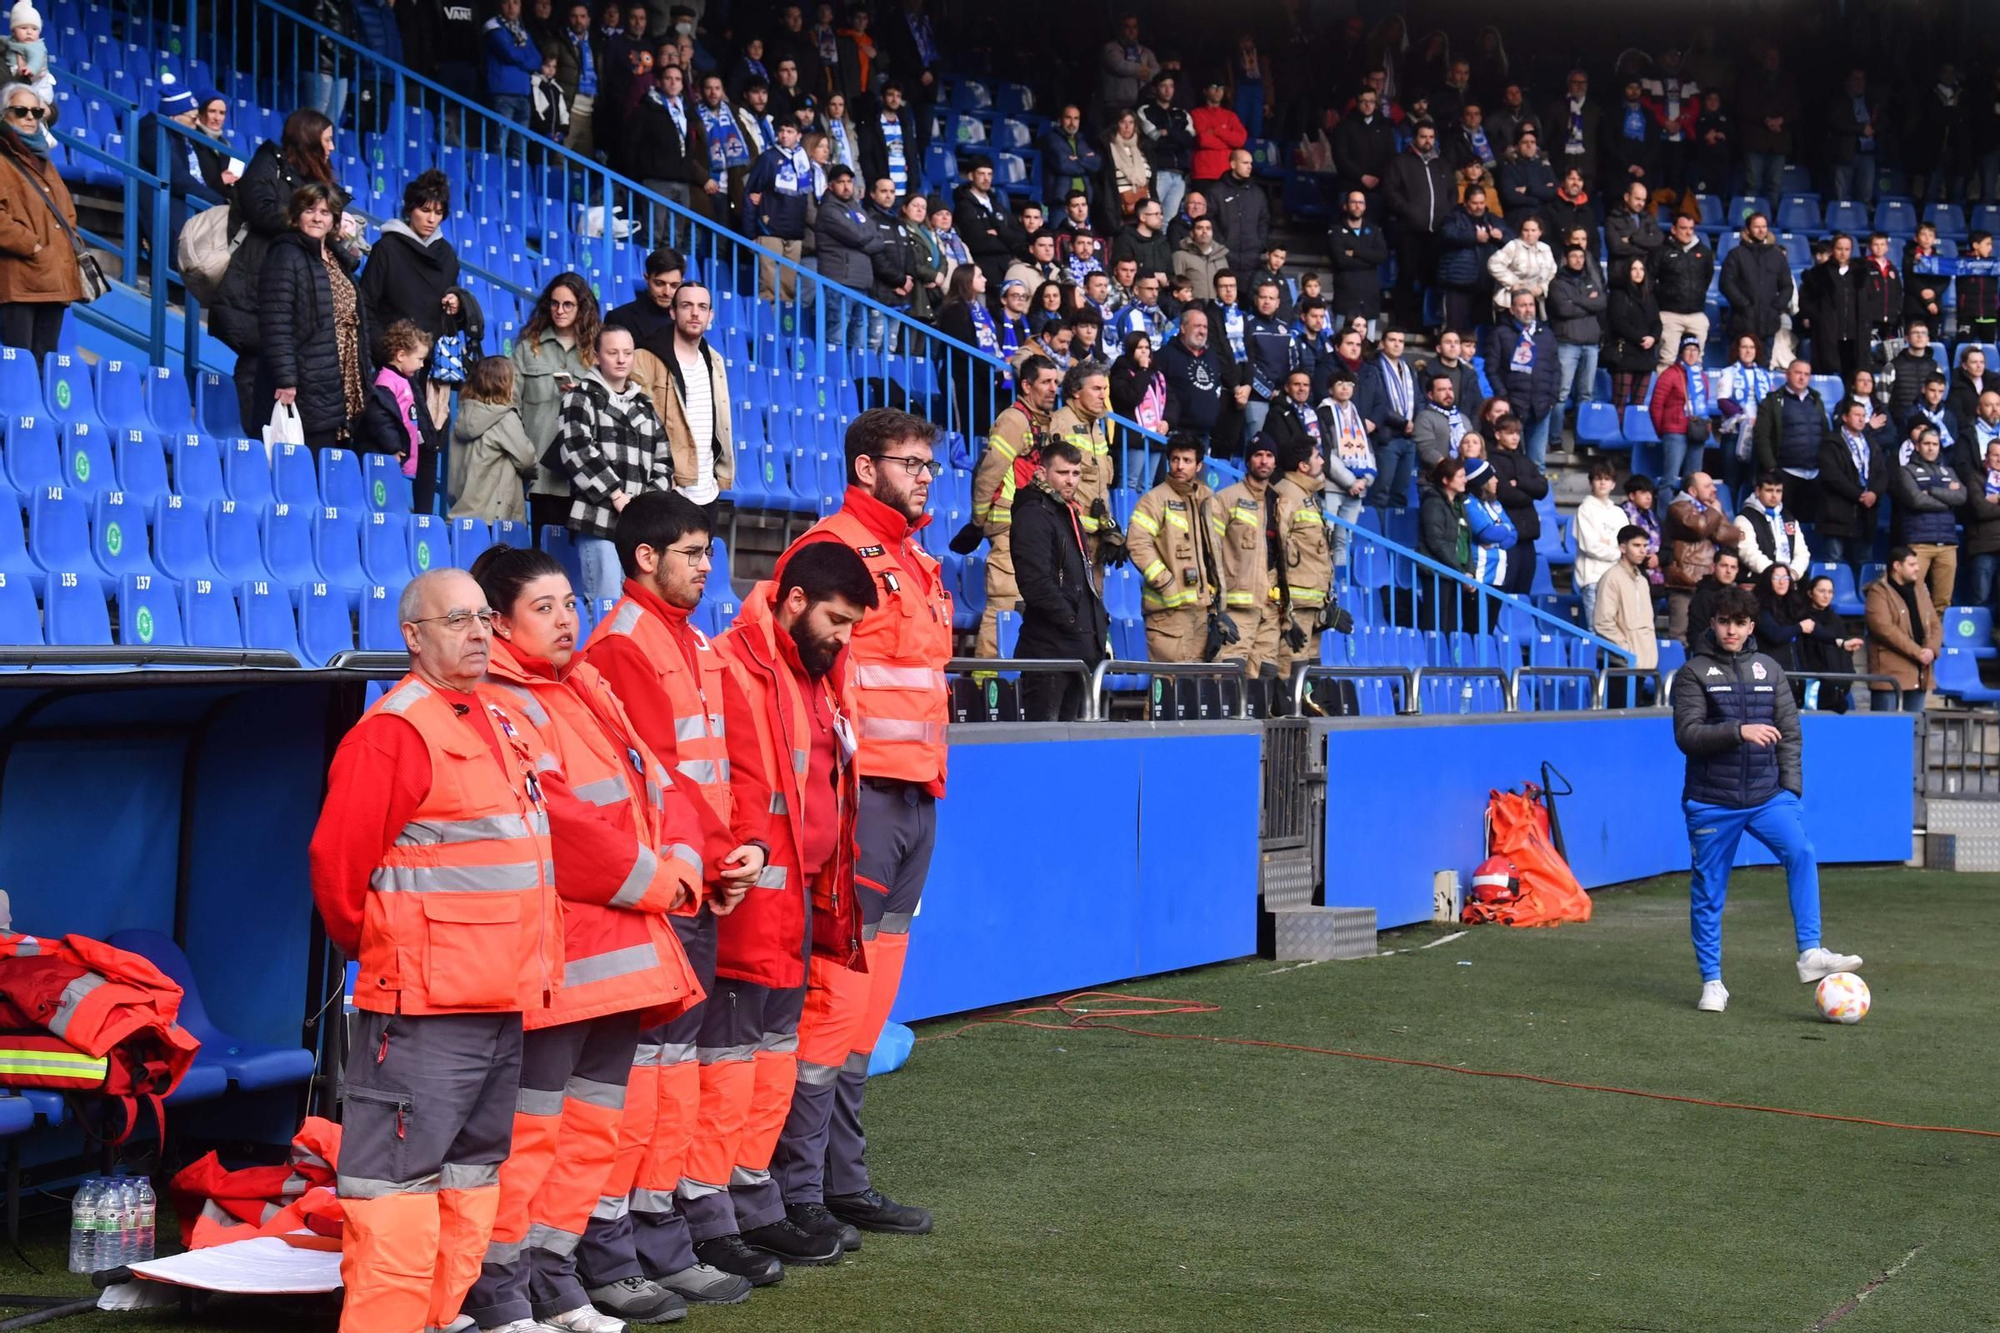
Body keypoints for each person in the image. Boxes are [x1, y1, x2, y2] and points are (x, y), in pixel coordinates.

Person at [455, 546, 705, 1333]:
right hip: (562, 960)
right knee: (533, 1135)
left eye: (570, 603)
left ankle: (552, 1279)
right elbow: (565, 824)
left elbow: (661, 783)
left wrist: (688, 861)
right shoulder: (500, 700)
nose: (567, 619)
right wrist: (667, 881)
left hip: (625, 953)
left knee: (591, 1129)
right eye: (545, 607)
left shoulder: (584, 682)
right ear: (498, 621)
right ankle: (497, 1290)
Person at [307, 568, 562, 1333]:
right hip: (422, 1005)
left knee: (469, 1182)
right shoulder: (394, 731)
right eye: (458, 620)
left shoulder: (496, 718)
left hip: (496, 998)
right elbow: (338, 868)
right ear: (413, 636)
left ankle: (436, 1318)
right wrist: (392, 951)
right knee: (394, 1192)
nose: (479, 632)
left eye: (485, 617)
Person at [765, 407, 949, 1238]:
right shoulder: (830, 549)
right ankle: (797, 1190)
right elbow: (786, 667)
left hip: (916, 798)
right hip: (859, 797)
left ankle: (842, 1179)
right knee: (835, 1002)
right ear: (865, 465)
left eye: (928, 464)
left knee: (870, 1010)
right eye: (909, 463)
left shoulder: (916, 557)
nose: (922, 476)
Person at [1672, 584, 1862, 1013]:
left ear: (1751, 626)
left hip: (1767, 796)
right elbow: (1687, 735)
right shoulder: (1693, 673)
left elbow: (1790, 735)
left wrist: (1791, 792)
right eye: (1724, 622)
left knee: (1801, 850)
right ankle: (1712, 982)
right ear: (1714, 624)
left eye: (1739, 623)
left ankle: (1810, 953)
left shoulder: (1770, 670)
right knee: (1708, 891)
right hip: (1711, 801)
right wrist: (1737, 731)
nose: (1731, 631)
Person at [210, 108, 345, 427]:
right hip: (259, 278)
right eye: (327, 139)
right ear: (310, 139)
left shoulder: (316, 177)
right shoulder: (268, 162)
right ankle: (250, 437)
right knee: (255, 357)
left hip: (300, 279)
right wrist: (304, 220)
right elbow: (261, 210)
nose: (332, 148)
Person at [555, 324, 668, 604]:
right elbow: (576, 450)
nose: (621, 359)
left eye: (627, 353)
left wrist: (644, 505)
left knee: (636, 607)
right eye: (613, 352)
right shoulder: (579, 397)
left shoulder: (645, 406)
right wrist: (615, 494)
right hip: (598, 520)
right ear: (596, 357)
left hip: (638, 527)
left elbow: (664, 462)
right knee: (605, 603)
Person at [258, 183, 369, 451]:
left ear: (334, 221)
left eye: (325, 212)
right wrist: (286, 380)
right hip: (306, 380)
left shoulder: (334, 256)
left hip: (339, 377)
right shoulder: (285, 254)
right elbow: (276, 322)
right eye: (310, 210)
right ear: (296, 216)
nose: (318, 217)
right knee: (308, 463)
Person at [1010, 438, 1107, 720]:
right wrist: (1073, 620)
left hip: (1075, 649)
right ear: (1042, 472)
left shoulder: (1066, 512)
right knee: (1044, 743)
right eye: (1062, 473)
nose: (1070, 481)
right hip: (1049, 651)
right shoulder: (1033, 514)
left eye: (1076, 473)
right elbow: (1035, 582)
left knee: (1069, 744)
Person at [971, 354, 1060, 658]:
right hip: (1009, 526)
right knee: (1004, 605)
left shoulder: (1039, 421)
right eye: (1046, 382)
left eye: (1056, 382)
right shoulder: (1015, 419)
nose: (1052, 388)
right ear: (1025, 385)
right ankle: (986, 686)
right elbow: (991, 470)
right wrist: (979, 518)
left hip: (1029, 527)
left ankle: (1011, 686)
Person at [632, 281, 732, 513]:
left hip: (707, 490)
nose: (695, 313)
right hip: (667, 489)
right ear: (673, 312)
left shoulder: (714, 360)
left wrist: (719, 476)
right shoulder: (646, 357)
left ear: (710, 315)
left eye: (702, 307)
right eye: (687, 305)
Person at [1128, 432, 1223, 661]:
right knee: (1168, 689)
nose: (1180, 466)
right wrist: (1167, 583)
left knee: (1194, 690)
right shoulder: (1154, 499)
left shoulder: (1209, 500)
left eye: (1187, 460)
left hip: (1202, 613)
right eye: (1175, 459)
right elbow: (1137, 543)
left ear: (1199, 465)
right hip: (1167, 615)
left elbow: (1218, 551)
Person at [515, 275, 599, 532]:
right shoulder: (529, 348)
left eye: (568, 305)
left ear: (582, 307)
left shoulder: (597, 350)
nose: (559, 310)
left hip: (583, 466)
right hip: (539, 464)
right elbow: (511, 403)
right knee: (542, 549)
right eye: (554, 304)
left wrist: (582, 397)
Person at [0, 80, 76, 363]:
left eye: (36, 111)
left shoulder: (43, 159)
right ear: (4, 115)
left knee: (46, 364)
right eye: (20, 111)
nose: (30, 117)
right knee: (19, 364)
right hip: (20, 279)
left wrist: (67, 247)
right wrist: (31, 246)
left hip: (52, 277)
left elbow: (67, 212)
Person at [1213, 438, 1283, 682]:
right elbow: (1211, 550)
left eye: (1269, 455)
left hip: (1272, 606)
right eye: (1258, 455)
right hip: (1237, 605)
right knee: (1228, 676)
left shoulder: (1280, 502)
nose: (1264, 461)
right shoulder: (1226, 498)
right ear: (1248, 460)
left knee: (1264, 678)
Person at [1272, 430, 1334, 680]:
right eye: (1317, 456)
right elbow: (1275, 550)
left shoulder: (1308, 496)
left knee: (1310, 676)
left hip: (1314, 605)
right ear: (1303, 465)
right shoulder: (1287, 495)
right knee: (1290, 673)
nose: (1322, 461)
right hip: (1294, 608)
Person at [449, 358, 536, 523]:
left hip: (460, 515)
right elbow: (527, 460)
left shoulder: (462, 415)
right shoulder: (506, 418)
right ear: (506, 384)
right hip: (495, 517)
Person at [1893, 424, 1967, 617]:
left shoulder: (1948, 471)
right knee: (1912, 595)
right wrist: (1947, 498)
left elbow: (1961, 498)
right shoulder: (1906, 471)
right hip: (1919, 543)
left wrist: (1932, 491)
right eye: (1926, 443)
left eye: (1935, 444)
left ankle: (1937, 641)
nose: (1931, 447)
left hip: (1948, 544)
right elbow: (1916, 500)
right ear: (1917, 446)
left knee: (1943, 601)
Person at [1384, 119, 1453, 323]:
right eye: (1423, 137)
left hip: (1437, 231)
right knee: (1407, 274)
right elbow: (1390, 190)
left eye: (1431, 137)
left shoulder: (1441, 163)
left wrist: (1446, 212)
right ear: (1414, 138)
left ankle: (1425, 322)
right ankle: (1402, 322)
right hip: (1410, 229)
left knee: (1431, 277)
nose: (1427, 141)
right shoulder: (1400, 162)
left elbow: (1452, 192)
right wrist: (1407, 210)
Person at [1664, 470, 1740, 641]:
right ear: (1692, 491)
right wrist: (1714, 514)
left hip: (1707, 583)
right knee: (1680, 637)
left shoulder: (1710, 509)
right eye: (1707, 486)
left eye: (1713, 484)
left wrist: (1710, 521)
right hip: (1685, 581)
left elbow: (1730, 536)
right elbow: (1699, 528)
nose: (1714, 489)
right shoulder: (1678, 507)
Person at [1486, 290, 1559, 468]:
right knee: (1511, 462)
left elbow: (1556, 368)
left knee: (1537, 465)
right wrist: (1504, 397)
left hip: (1541, 407)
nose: (1528, 310)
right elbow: (1491, 369)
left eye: (1531, 305)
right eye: (1523, 305)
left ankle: (1536, 496)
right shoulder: (1500, 333)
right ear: (1512, 309)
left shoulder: (1546, 334)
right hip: (1513, 407)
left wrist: (1552, 398)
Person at [1864, 546, 1937, 713]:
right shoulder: (1877, 592)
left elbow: (1935, 623)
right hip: (1889, 673)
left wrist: (1931, 649)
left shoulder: (1920, 589)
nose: (1917, 568)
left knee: (1915, 730)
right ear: (1897, 566)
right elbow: (1884, 629)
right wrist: (1918, 652)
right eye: (1912, 564)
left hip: (1920, 671)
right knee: (1884, 731)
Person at [1593, 524, 1658, 705]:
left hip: (1641, 662)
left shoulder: (1643, 581)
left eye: (1645, 546)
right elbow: (1603, 622)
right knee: (1619, 715)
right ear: (1623, 547)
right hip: (1619, 663)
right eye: (1636, 546)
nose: (1642, 551)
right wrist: (1627, 651)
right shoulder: (1611, 578)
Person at [1648, 335, 1716, 501]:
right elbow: (1655, 406)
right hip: (1674, 433)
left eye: (1695, 350)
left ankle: (1691, 520)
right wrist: (1663, 430)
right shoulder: (1670, 374)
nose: (1692, 354)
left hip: (1697, 433)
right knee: (1669, 480)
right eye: (1688, 350)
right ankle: (1664, 522)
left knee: (1694, 482)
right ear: (1681, 352)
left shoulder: (1702, 377)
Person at [1718, 214, 1791, 366]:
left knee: (1763, 370)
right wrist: (1744, 305)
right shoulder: (1736, 254)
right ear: (1748, 229)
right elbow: (1726, 283)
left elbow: (1787, 286)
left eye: (1763, 226)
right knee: (1737, 370)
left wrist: (1776, 308)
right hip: (1741, 324)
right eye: (1756, 227)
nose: (1760, 230)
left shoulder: (1777, 256)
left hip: (1768, 325)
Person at [1358, 326, 1418, 507]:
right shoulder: (1372, 368)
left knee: (1400, 495)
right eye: (1392, 340)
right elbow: (1379, 402)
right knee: (1380, 493)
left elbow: (1419, 398)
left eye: (1401, 341)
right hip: (1387, 436)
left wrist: (1415, 423)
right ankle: (1378, 534)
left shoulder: (1409, 369)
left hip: (1408, 438)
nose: (1397, 344)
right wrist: (1403, 422)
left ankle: (1395, 535)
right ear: (1383, 343)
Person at [1433, 186, 1506, 335]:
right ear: (1466, 202)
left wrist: (1501, 236)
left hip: (1485, 283)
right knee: (1453, 330)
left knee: (1482, 331)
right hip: (1458, 283)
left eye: (1482, 202)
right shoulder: (1453, 217)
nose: (1479, 207)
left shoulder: (1492, 218)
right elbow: (1448, 234)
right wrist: (1474, 236)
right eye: (1474, 203)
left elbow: (1511, 237)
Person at [1487, 415, 1544, 595]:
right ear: (1497, 434)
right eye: (1509, 433)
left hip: (1528, 537)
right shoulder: (1491, 460)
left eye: (1517, 433)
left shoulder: (1525, 461)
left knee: (1523, 591)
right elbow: (1506, 494)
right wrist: (1530, 493)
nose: (1515, 437)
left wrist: (1519, 482)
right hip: (1507, 537)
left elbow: (1543, 488)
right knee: (1505, 588)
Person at [1799, 233, 1863, 386]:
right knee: (1825, 372)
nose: (1843, 252)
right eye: (1839, 248)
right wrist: (1818, 319)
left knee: (1851, 378)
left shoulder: (1859, 274)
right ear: (1833, 250)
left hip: (1852, 335)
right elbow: (1807, 301)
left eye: (1847, 249)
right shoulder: (1816, 275)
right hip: (1826, 333)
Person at [1603, 255, 1660, 417]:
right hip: (1625, 355)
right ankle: (1616, 437)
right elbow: (1619, 322)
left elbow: (1657, 321)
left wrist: (1653, 338)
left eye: (1641, 269)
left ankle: (1633, 439)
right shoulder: (1618, 294)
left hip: (1646, 355)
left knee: (1638, 405)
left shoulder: (1649, 295)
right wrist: (1642, 338)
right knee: (1619, 404)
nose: (1638, 272)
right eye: (1634, 269)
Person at [1136, 72, 1195, 221]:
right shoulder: (1145, 110)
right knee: (1150, 216)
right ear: (1155, 88)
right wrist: (1178, 136)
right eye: (1163, 86)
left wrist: (1168, 132)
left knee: (1169, 221)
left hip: (1180, 174)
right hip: (1159, 172)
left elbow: (1190, 140)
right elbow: (1155, 140)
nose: (1168, 90)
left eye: (1171, 86)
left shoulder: (1182, 113)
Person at [1326, 189, 1387, 333]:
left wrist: (1355, 253)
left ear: (1365, 206)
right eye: (1353, 202)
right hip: (1345, 297)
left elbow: (1381, 256)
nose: (1357, 206)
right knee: (1341, 341)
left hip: (1369, 297)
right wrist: (1369, 260)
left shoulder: (1374, 230)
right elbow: (1341, 260)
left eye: (1361, 202)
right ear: (1345, 206)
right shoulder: (1336, 231)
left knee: (1367, 345)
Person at [1573, 462, 1625, 627]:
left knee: (1617, 631)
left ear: (1613, 484)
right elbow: (1590, 546)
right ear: (1591, 483)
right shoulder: (1585, 509)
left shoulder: (1619, 512)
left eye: (1607, 479)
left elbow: (1627, 543)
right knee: (1596, 629)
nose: (1602, 483)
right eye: (1598, 479)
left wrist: (1606, 541)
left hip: (1617, 577)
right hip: (1594, 578)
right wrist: (1616, 549)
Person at [1734, 470, 1811, 580]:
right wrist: (1776, 575)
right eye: (1769, 490)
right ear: (1757, 491)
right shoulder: (1744, 518)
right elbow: (1748, 553)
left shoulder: (1788, 518)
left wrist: (1793, 573)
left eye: (1778, 491)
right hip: (1758, 581)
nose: (1774, 495)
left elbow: (1802, 552)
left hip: (1789, 580)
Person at [1461, 457, 1514, 588]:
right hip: (1479, 575)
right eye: (1492, 478)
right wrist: (1506, 529)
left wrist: (1495, 543)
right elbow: (1486, 534)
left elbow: (1514, 534)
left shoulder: (1494, 504)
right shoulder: (1469, 503)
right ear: (1482, 482)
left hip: (1499, 575)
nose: (1496, 481)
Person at [1684, 548, 1742, 654]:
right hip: (1709, 655)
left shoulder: (1739, 596)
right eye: (1724, 566)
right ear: (1713, 567)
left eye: (1733, 567)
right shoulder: (1703, 596)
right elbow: (1697, 634)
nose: (1728, 571)